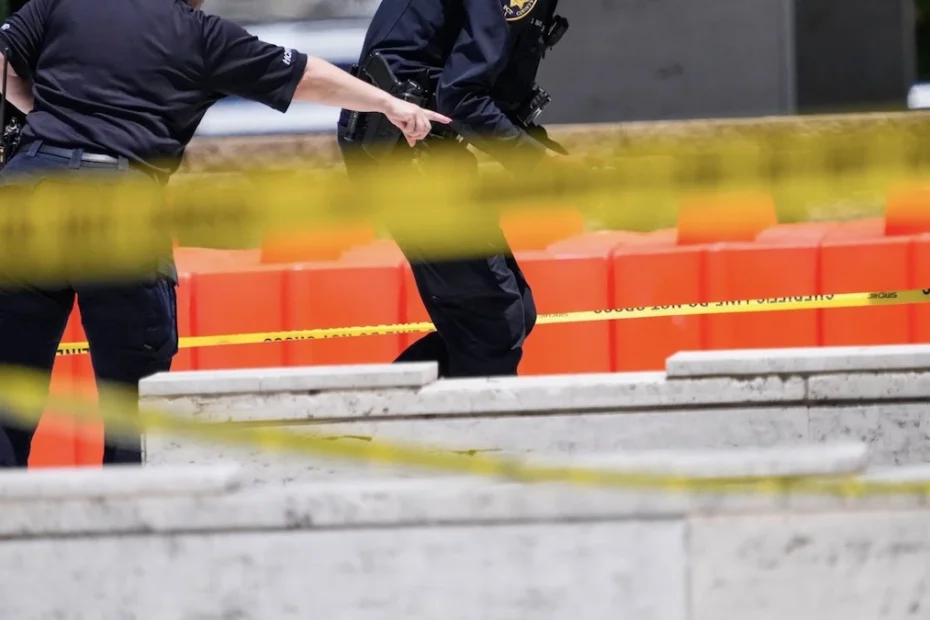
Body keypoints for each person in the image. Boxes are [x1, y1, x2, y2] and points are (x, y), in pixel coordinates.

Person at [0, 0, 450, 468]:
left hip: (27, 190)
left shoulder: (64, 3)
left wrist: (44, 120)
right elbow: (307, 76)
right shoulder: (200, 35)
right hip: (119, 202)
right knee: (134, 401)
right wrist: (388, 103)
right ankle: (127, 510)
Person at [337, 0, 570, 379]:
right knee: (493, 322)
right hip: (402, 152)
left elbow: (489, 94)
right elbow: (462, 97)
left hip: (424, 149)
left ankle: (376, 409)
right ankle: (406, 413)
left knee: (513, 314)